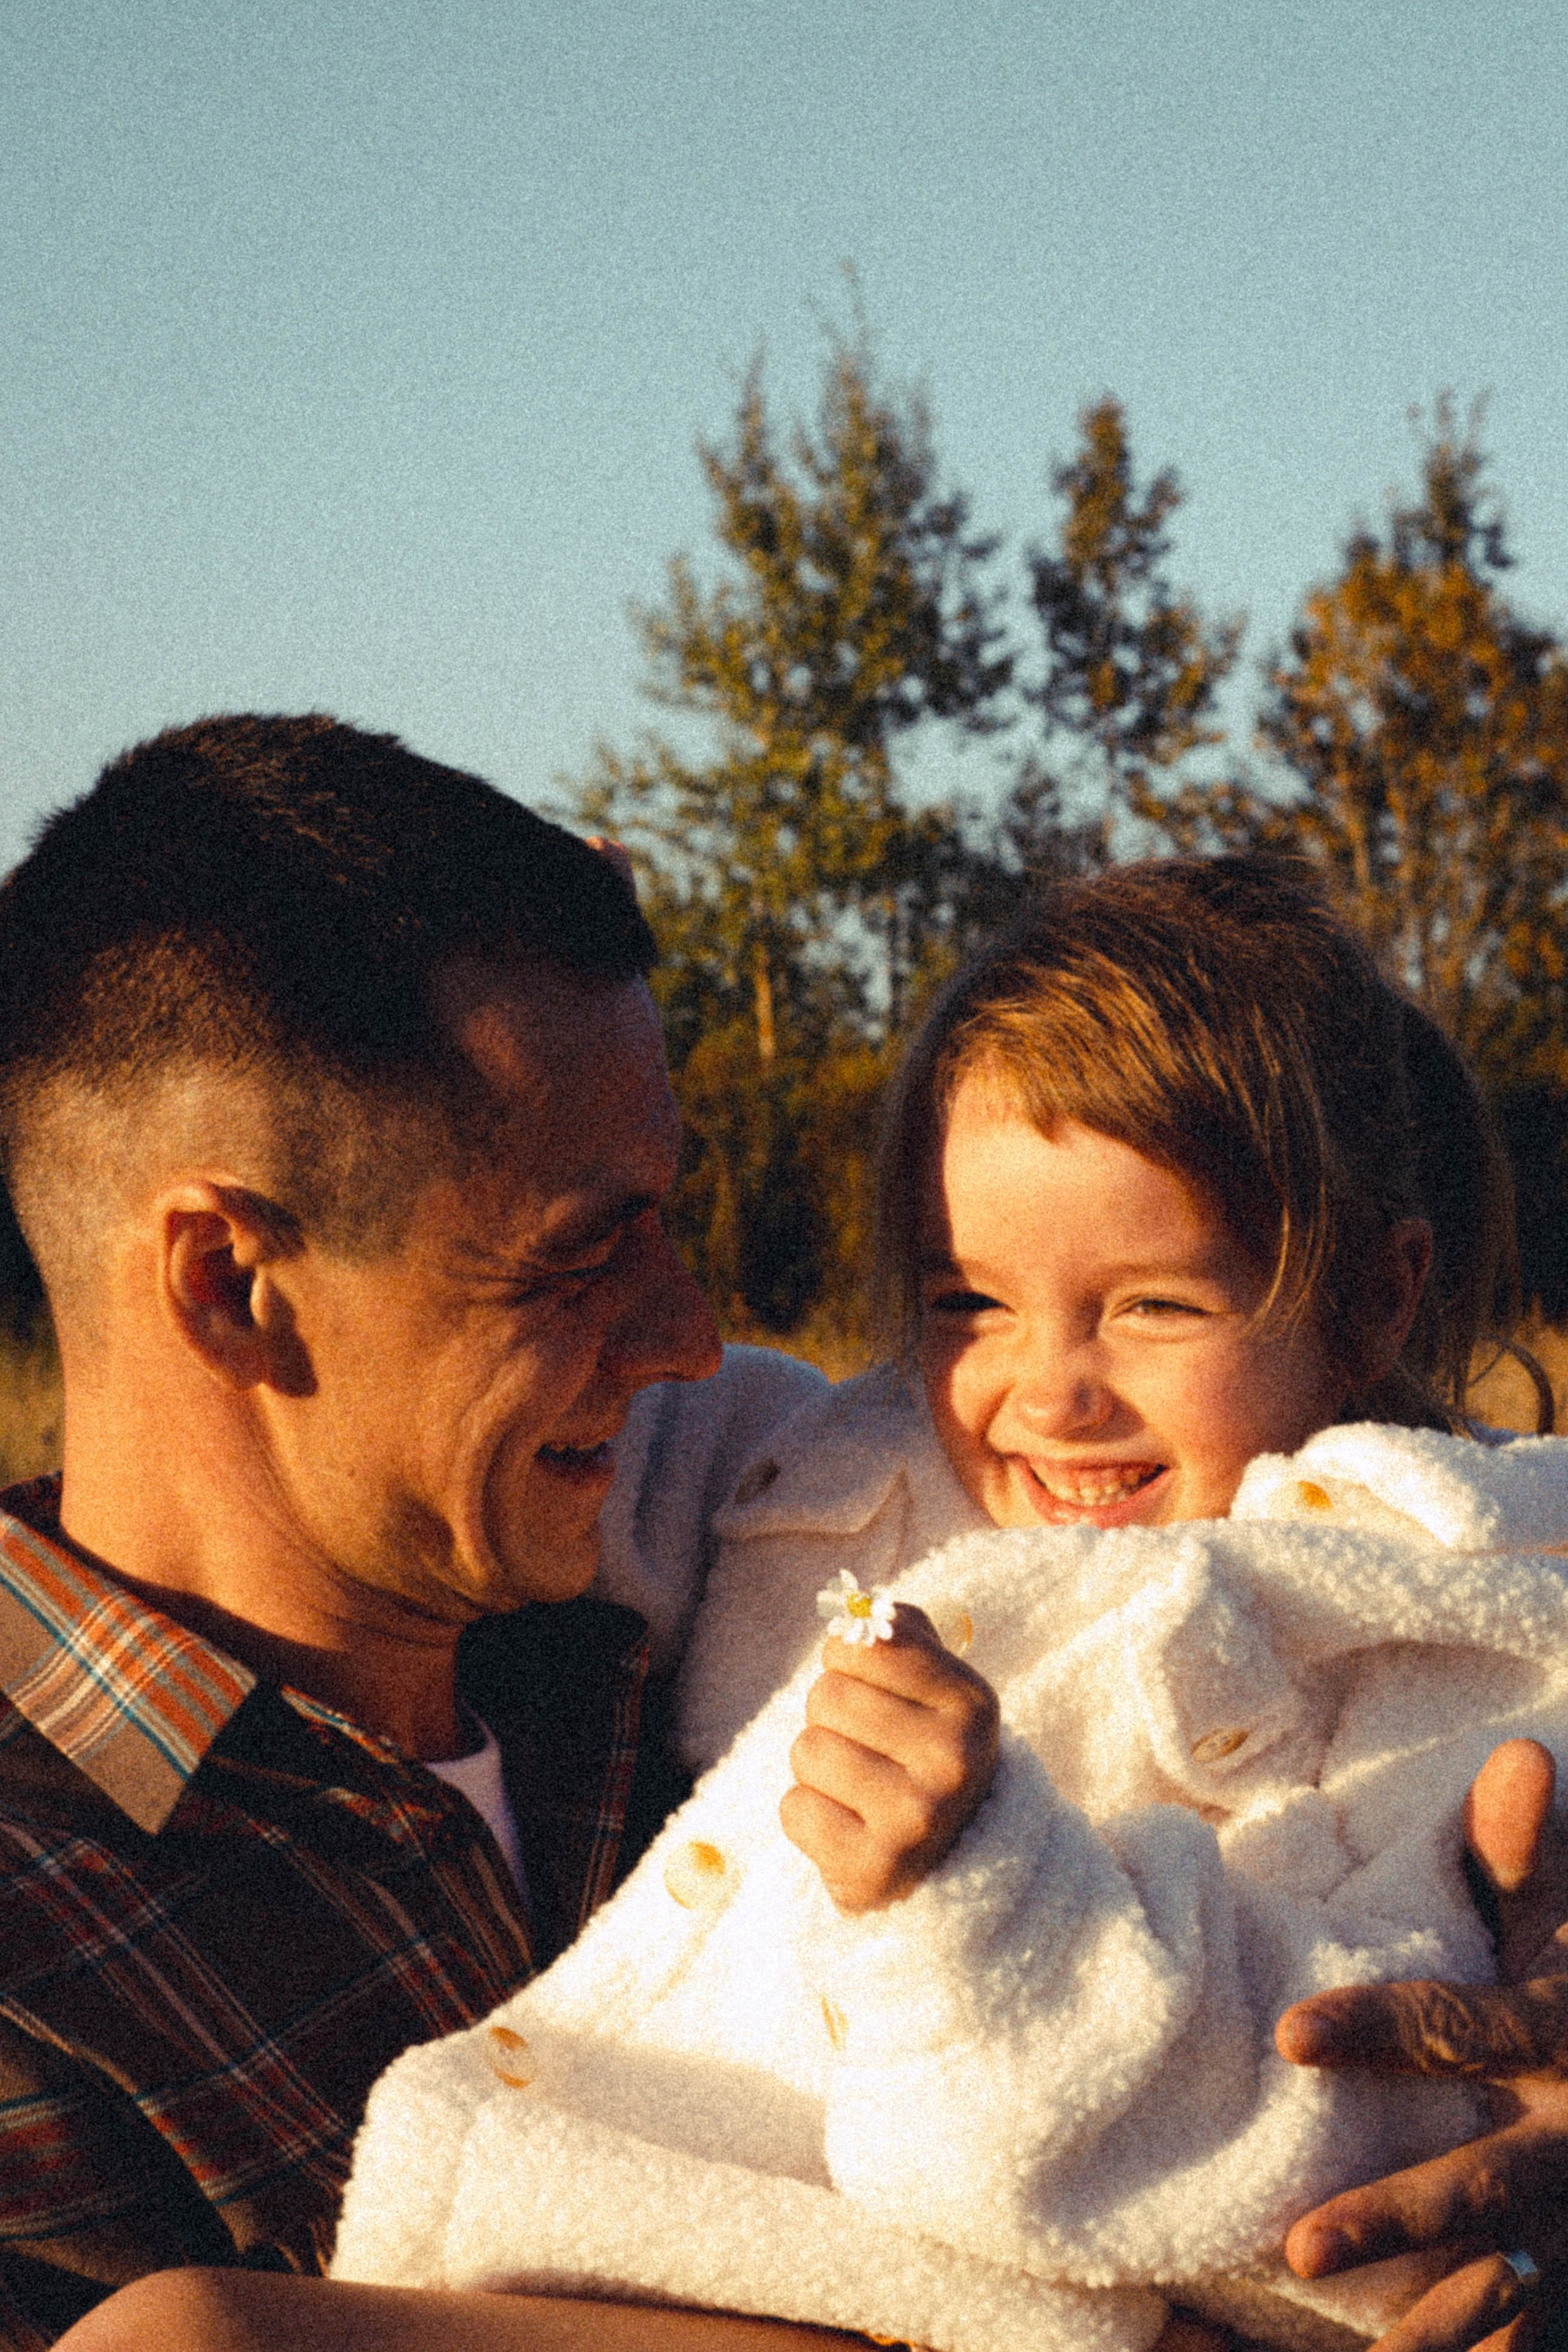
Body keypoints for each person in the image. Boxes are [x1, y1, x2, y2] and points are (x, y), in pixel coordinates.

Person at [334, 860, 1568, 2352]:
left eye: (1151, 1306)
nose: (1043, 1391)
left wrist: (982, 1892)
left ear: (1375, 1299)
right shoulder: (833, 1478)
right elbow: (443, 1438)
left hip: (969, 2285)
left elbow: (1354, 2136)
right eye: (964, 1302)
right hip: (612, 2224)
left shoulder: (1435, 1622)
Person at [0, 713, 853, 2351]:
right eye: (576, 1258)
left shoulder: (717, 1592)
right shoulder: (36, 1954)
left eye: (668, 1218)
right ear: (231, 1284)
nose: (686, 1338)